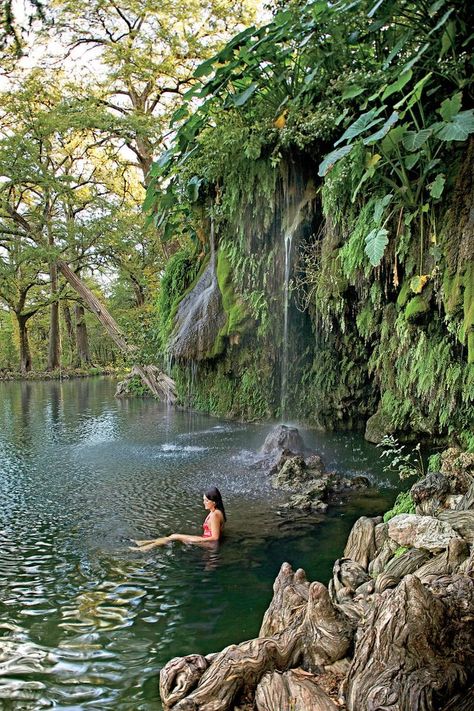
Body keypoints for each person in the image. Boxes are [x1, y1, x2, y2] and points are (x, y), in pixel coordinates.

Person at [131, 486, 226, 551]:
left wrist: (196, 540)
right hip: (207, 541)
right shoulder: (215, 511)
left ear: (214, 502)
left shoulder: (215, 515)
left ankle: (143, 548)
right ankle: (145, 543)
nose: (203, 502)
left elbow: (215, 537)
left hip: (209, 544)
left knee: (175, 536)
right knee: (173, 536)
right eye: (203, 500)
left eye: (206, 500)